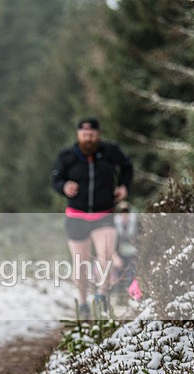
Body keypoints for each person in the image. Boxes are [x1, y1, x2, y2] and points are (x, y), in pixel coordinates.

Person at [51, 117, 133, 318]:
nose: (88, 138)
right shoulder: (68, 155)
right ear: (78, 135)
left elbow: (127, 167)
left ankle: (101, 297)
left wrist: (123, 186)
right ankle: (83, 302)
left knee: (105, 256)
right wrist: (64, 187)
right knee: (80, 262)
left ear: (98, 134)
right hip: (76, 216)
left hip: (104, 214)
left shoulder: (109, 152)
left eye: (92, 135)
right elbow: (55, 179)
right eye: (84, 135)